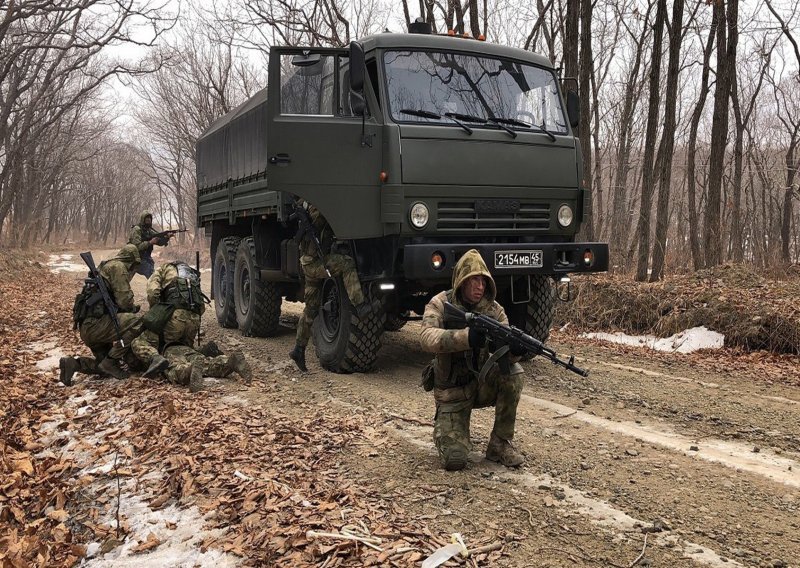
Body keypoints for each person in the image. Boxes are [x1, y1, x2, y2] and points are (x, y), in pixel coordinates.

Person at [419, 249, 525, 471]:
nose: (480, 286)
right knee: (455, 460)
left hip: (480, 385)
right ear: (462, 281)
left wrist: (514, 350)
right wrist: (466, 337)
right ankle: (451, 432)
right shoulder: (440, 303)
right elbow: (426, 337)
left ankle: (499, 443)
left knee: (514, 371)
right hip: (452, 393)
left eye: (484, 281)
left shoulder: (494, 311)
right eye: (474, 280)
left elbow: (507, 350)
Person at [130, 260, 251, 391]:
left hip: (174, 316)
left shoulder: (163, 269)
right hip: (194, 319)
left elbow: (153, 292)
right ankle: (228, 362)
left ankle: (185, 372)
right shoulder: (191, 274)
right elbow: (202, 307)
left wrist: (158, 314)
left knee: (146, 346)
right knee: (186, 352)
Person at [288, 199, 374, 372]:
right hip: (314, 263)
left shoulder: (308, 211)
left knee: (311, 309)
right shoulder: (315, 211)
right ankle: (360, 304)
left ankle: (298, 349)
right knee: (346, 264)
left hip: (308, 263)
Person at [59, 245, 145, 386]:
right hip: (98, 325)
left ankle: (74, 364)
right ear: (132, 260)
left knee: (102, 368)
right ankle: (111, 361)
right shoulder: (118, 267)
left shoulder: (104, 267)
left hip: (89, 328)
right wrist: (133, 308)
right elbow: (125, 301)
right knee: (139, 321)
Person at [128, 211, 169, 278]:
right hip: (135, 257)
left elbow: (159, 242)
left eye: (149, 220)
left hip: (145, 257)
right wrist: (150, 242)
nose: (148, 221)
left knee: (152, 275)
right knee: (153, 277)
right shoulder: (137, 229)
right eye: (146, 220)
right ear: (143, 220)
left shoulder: (149, 230)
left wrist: (167, 237)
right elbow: (137, 246)